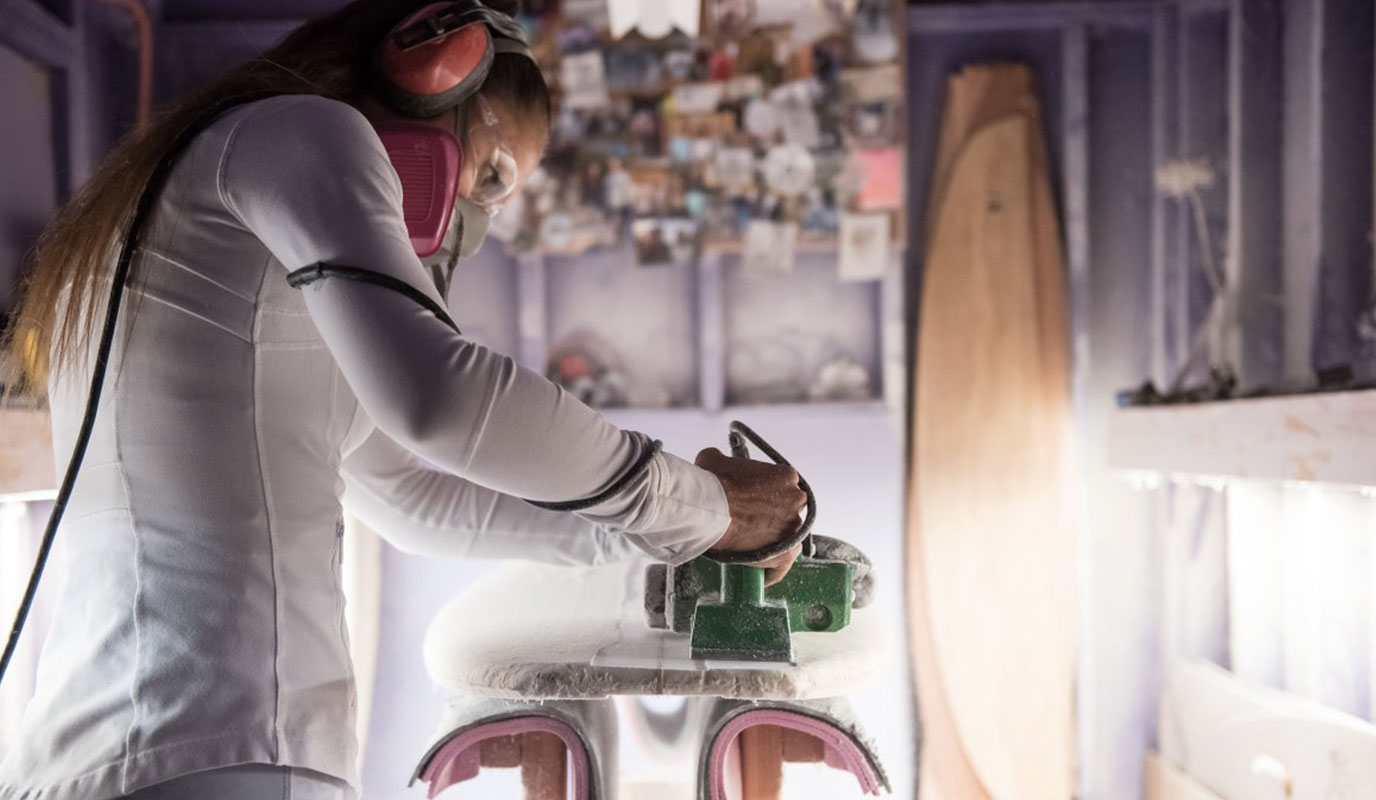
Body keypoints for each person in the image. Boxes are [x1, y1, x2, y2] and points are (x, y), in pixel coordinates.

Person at [0, 2, 805, 798]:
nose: (471, 218)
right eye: (491, 175)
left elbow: (411, 500)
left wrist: (663, 543)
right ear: (430, 73)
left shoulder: (197, 209)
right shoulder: (301, 132)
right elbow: (442, 400)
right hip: (222, 741)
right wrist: (705, 507)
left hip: (93, 754)